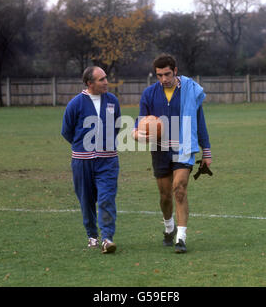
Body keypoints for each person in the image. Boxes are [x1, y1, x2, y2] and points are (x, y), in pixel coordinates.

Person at [132, 54, 212, 253]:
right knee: (165, 195)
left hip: (183, 148)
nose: (163, 79)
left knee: (180, 189)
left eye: (167, 74)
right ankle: (169, 227)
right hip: (160, 150)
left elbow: (199, 122)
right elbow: (141, 121)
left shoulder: (190, 91)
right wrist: (136, 133)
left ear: (175, 71)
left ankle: (181, 238)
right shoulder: (149, 94)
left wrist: (207, 151)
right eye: (159, 75)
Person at [61, 66, 121, 254]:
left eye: (105, 78)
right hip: (82, 162)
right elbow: (67, 131)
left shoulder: (112, 101)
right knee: (86, 200)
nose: (106, 82)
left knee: (106, 198)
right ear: (90, 83)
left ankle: (107, 238)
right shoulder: (75, 104)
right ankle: (92, 236)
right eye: (101, 79)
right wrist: (83, 147)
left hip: (108, 161)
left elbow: (117, 126)